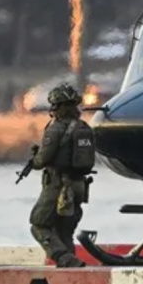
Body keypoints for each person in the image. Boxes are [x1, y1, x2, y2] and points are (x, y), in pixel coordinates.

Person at [28, 83, 97, 268]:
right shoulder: (84, 128)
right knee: (65, 230)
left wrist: (34, 160)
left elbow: (42, 160)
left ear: (56, 106)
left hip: (58, 186)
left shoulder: (55, 129)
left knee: (39, 224)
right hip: (79, 186)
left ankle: (64, 259)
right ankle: (71, 269)